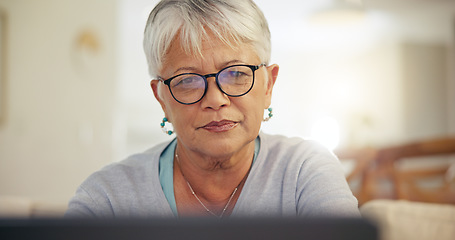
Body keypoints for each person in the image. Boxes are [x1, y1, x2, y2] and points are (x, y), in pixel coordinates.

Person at [65, 0, 359, 218]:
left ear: (268, 85)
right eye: (188, 81)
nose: (215, 99)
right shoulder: (108, 196)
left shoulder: (305, 171)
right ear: (161, 98)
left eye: (236, 74)